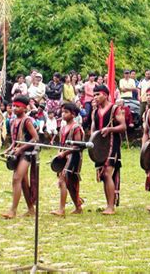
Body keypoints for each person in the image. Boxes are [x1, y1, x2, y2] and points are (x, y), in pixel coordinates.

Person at [91, 85, 126, 215]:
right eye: (94, 95)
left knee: (107, 174)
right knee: (104, 176)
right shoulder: (94, 111)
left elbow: (123, 126)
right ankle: (108, 205)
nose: (95, 97)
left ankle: (111, 206)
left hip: (112, 144)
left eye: (98, 94)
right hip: (100, 148)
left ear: (106, 95)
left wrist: (110, 129)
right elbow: (93, 129)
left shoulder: (114, 109)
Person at [2, 95, 39, 218]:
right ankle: (31, 209)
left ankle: (13, 210)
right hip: (17, 153)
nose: (14, 108)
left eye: (18, 106)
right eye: (14, 106)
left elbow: (35, 138)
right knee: (23, 182)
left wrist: (21, 149)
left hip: (27, 154)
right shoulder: (12, 121)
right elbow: (14, 140)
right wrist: (9, 149)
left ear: (24, 108)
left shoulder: (27, 121)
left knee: (16, 178)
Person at [50, 103, 84, 216]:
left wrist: (65, 153)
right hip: (64, 157)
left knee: (63, 180)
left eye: (66, 112)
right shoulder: (63, 128)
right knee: (68, 183)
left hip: (74, 157)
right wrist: (58, 154)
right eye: (62, 112)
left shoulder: (76, 127)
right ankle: (78, 206)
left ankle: (61, 209)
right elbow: (61, 144)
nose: (63, 114)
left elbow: (77, 146)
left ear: (73, 114)